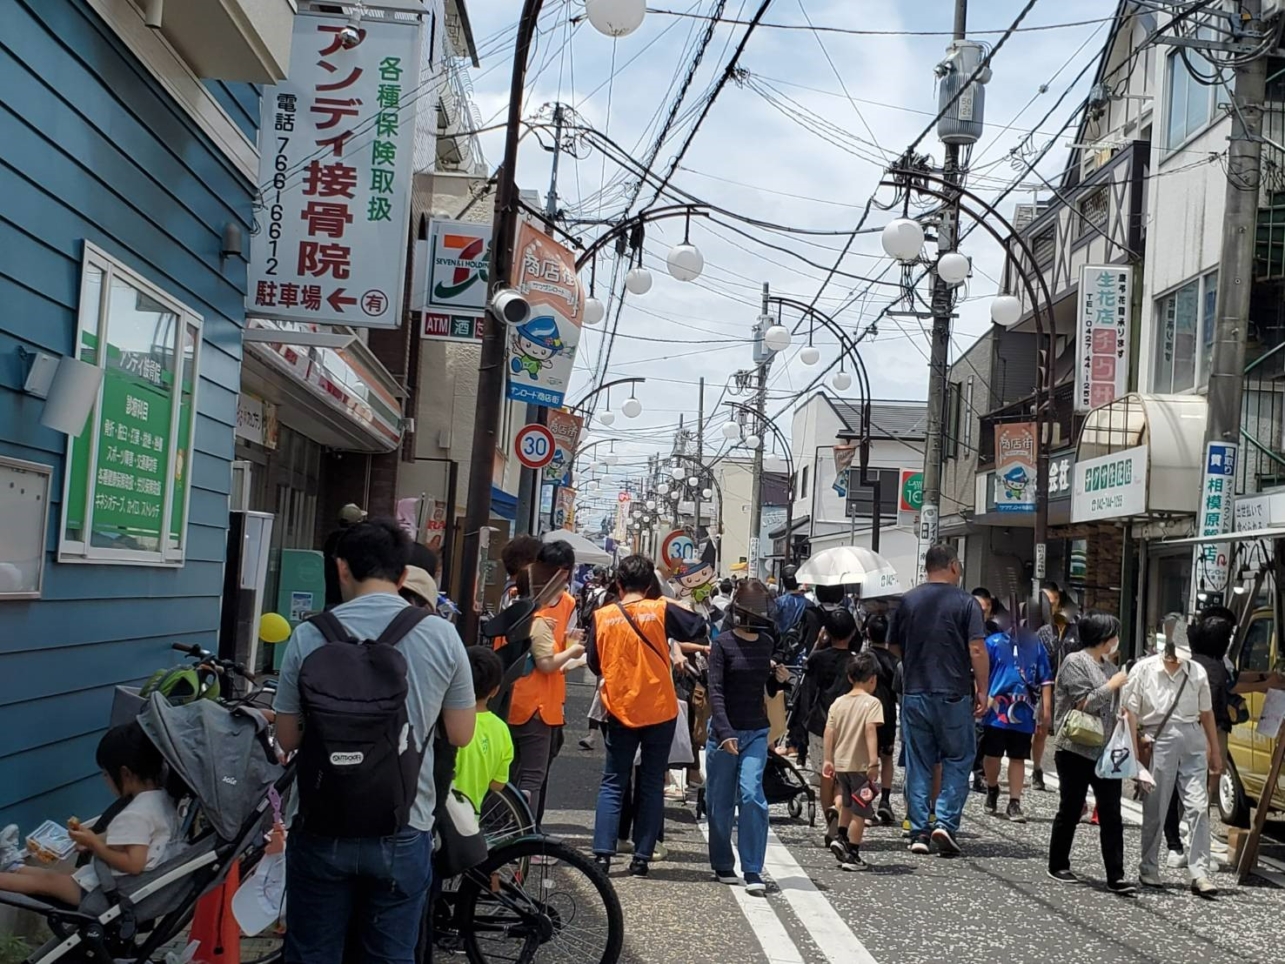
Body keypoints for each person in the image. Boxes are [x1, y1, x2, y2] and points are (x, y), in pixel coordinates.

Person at [274, 518, 476, 964]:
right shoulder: (441, 635)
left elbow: (286, 739)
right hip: (403, 824)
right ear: (403, 575)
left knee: (312, 954)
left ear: (341, 568)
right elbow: (461, 733)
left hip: (321, 824)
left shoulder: (309, 634)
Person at [586, 554, 708, 876]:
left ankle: (602, 854)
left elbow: (594, 664)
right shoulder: (659, 609)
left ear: (618, 583)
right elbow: (699, 627)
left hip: (620, 707)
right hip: (658, 707)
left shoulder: (603, 616)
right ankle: (642, 857)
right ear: (651, 584)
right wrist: (666, 599)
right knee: (652, 782)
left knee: (613, 780)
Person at [0, 723, 178, 905]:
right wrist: (93, 838)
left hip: (108, 894)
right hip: (121, 885)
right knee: (58, 875)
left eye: (106, 774)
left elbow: (133, 864)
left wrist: (94, 844)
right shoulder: (161, 800)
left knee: (46, 882)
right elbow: (132, 838)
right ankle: (12, 867)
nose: (105, 779)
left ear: (125, 774)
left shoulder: (135, 814)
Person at [889, 543, 987, 857]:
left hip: (915, 691)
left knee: (919, 761)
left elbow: (893, 647)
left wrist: (916, 660)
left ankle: (918, 831)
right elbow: (976, 649)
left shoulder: (908, 600)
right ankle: (944, 822)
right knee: (958, 758)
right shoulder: (966, 602)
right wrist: (982, 689)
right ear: (954, 566)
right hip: (954, 692)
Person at [1122, 623, 1222, 897]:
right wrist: (1133, 753)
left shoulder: (1196, 671)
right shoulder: (1143, 669)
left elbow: (1207, 714)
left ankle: (1200, 872)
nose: (1177, 660)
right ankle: (1149, 867)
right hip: (1158, 736)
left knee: (1199, 805)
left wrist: (1215, 750)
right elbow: (1129, 712)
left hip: (1192, 735)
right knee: (1156, 805)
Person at [705, 580, 789, 895]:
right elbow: (716, 691)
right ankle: (723, 862)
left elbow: (766, 691)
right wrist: (724, 732)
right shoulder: (722, 644)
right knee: (719, 803)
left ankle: (753, 868)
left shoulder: (767, 644)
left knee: (753, 794)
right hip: (723, 731)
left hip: (756, 729)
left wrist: (779, 681)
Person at [1046, 612, 1135, 895]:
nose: (1115, 640)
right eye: (1113, 635)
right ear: (1103, 638)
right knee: (1071, 807)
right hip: (1075, 747)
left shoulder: (1109, 667)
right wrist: (1112, 686)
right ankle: (1058, 863)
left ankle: (1116, 875)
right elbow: (1083, 703)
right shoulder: (1075, 662)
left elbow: (1110, 704)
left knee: (1111, 813)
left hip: (1105, 749)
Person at [507, 540, 584, 829]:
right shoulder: (521, 601)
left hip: (539, 698)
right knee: (529, 777)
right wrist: (573, 653)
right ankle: (523, 837)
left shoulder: (567, 603)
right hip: (535, 703)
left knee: (522, 774)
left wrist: (569, 653)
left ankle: (514, 832)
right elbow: (549, 662)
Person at [789, 607, 859, 844]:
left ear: (826, 631)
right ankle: (838, 814)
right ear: (853, 633)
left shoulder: (818, 658)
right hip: (849, 726)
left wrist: (818, 644)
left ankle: (831, 818)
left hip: (820, 724)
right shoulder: (856, 661)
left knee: (825, 775)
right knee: (844, 778)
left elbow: (806, 693)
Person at [980, 621, 1054, 823]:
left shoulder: (1036, 646)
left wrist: (1046, 709)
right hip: (997, 708)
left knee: (1018, 756)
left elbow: (1045, 678)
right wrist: (982, 694)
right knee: (992, 754)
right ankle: (992, 786)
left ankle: (1015, 802)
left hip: (1023, 708)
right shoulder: (993, 642)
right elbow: (981, 672)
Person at [823, 652, 885, 872]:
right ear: (873, 679)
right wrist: (873, 762)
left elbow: (829, 731)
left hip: (841, 765)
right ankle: (853, 853)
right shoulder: (872, 703)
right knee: (861, 810)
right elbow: (870, 730)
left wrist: (828, 759)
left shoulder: (838, 703)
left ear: (849, 677)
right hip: (860, 766)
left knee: (847, 805)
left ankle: (840, 837)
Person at [453, 647, 513, 814]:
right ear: (495, 690)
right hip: (469, 819)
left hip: (431, 815)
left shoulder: (446, 720)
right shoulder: (501, 730)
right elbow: (497, 784)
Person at [863, 613, 900, 825]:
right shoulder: (894, 661)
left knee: (867, 758)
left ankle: (866, 804)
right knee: (886, 757)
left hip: (866, 711)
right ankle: (885, 800)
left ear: (867, 632)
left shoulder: (863, 658)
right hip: (887, 712)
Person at [322, 503, 366, 609]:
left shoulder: (331, 540)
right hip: (353, 599)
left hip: (331, 597)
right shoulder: (358, 541)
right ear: (358, 522)